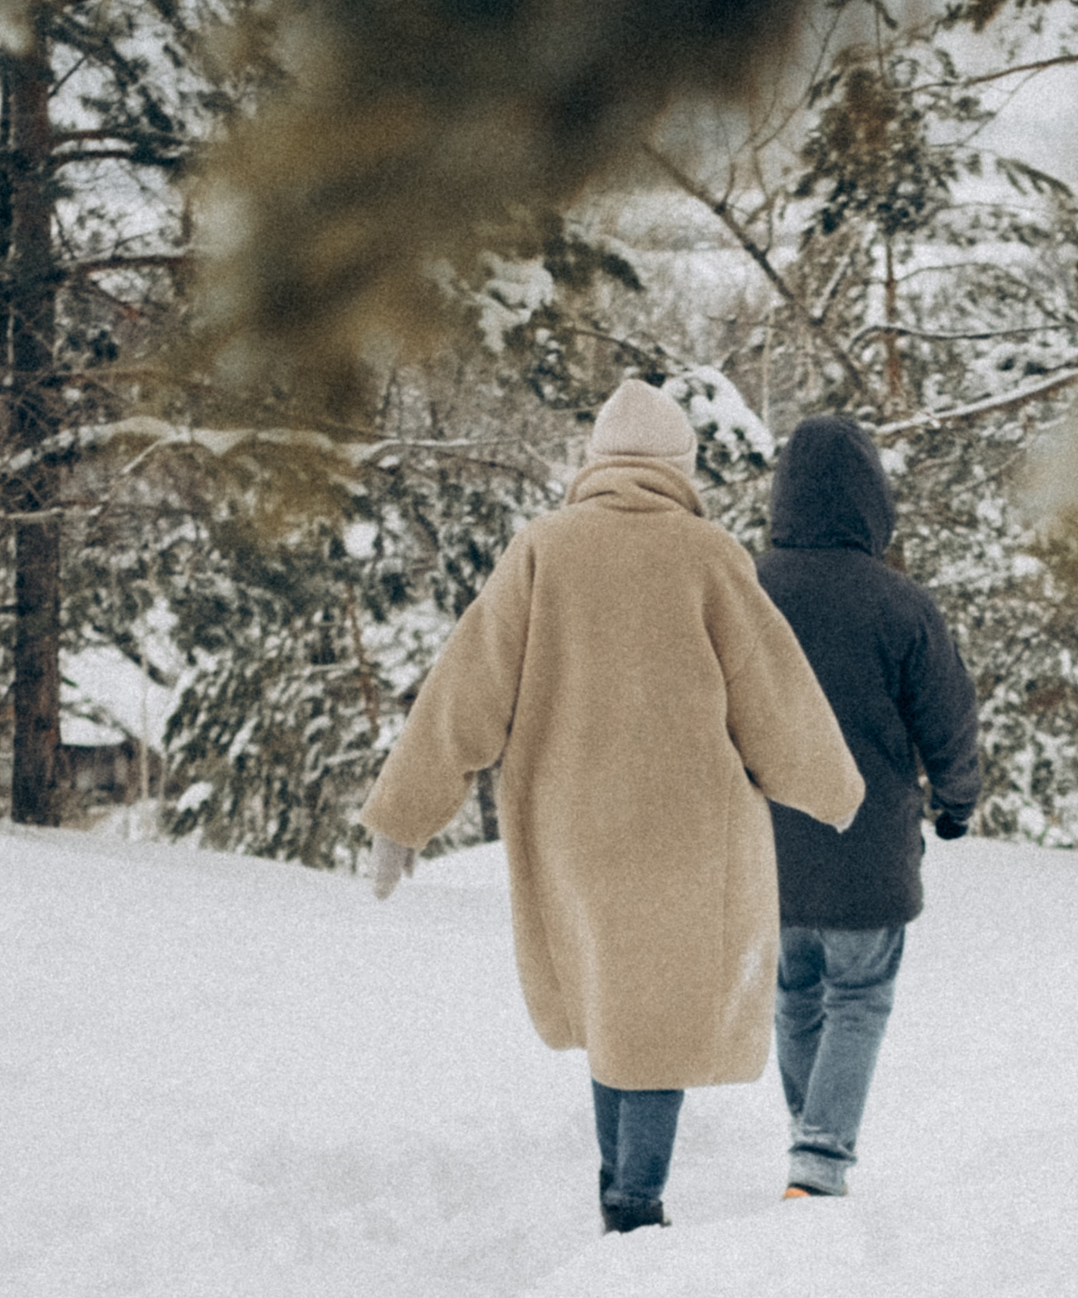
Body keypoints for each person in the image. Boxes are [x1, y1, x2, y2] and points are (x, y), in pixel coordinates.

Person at [360, 379, 862, 1231]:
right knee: (655, 1022)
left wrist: (402, 817)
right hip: (689, 835)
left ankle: (619, 1194)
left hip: (573, 836)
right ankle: (635, 1206)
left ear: (593, 463)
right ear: (680, 467)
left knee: (612, 1013)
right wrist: (837, 794)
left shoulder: (542, 551)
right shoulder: (708, 554)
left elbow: (465, 692)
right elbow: (774, 698)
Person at [756, 413, 981, 1198]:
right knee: (858, 995)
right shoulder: (902, 605)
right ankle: (818, 1159)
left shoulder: (746, 588)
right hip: (868, 845)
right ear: (871, 500)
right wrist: (957, 804)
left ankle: (807, 1133)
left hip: (770, 844)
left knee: (795, 991)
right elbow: (948, 719)